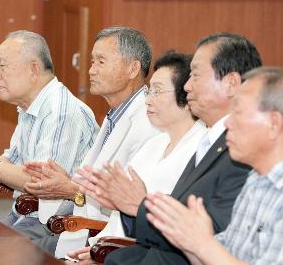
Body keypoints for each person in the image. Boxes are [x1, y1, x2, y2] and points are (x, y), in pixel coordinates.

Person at [84, 32, 263, 265]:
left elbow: (209, 239)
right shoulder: (212, 142)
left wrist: (139, 205)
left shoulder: (241, 152)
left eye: (196, 76)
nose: (187, 86)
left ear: (230, 83)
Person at [146, 67, 283, 265]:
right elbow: (221, 255)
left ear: (274, 123)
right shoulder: (256, 179)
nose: (228, 124)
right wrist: (188, 239)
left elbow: (210, 251)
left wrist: (202, 244)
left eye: (238, 113)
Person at [17, 26, 159, 254]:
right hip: (75, 225)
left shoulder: (149, 123)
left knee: (12, 253)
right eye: (92, 62)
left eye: (100, 62)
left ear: (133, 68)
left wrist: (71, 189)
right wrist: (67, 181)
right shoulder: (115, 115)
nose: (91, 70)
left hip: (99, 239)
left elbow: (127, 202)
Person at [0, 30, 99, 229]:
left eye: (3, 66)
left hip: (58, 224)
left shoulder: (60, 112)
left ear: (33, 69)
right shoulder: (29, 106)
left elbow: (41, 183)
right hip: (28, 213)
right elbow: (14, 162)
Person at [67, 50, 207, 262]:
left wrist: (104, 255)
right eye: (149, 91)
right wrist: (97, 248)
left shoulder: (200, 150)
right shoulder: (154, 144)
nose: (148, 101)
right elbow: (118, 216)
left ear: (187, 96)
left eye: (157, 92)